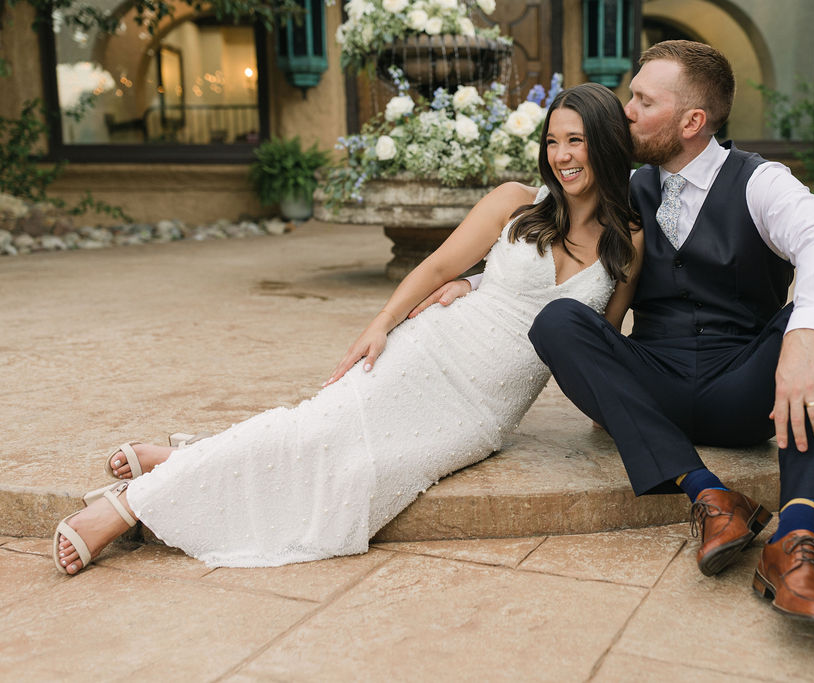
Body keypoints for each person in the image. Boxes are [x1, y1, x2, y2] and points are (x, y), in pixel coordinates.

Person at [52, 82, 643, 574]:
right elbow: (439, 265)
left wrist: (614, 409)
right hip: (436, 349)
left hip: (485, 409)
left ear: (608, 146)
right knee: (316, 430)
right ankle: (127, 507)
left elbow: (598, 343)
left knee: (364, 472)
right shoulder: (517, 201)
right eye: (554, 141)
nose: (563, 155)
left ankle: (183, 457)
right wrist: (381, 325)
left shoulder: (629, 244)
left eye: (578, 141)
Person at [432, 41, 814, 630]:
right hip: (653, 382)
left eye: (642, 100)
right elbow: (555, 250)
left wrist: (806, 338)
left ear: (692, 122)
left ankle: (797, 540)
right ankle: (712, 497)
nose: (625, 110)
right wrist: (478, 286)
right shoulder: (627, 186)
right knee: (557, 320)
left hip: (743, 391)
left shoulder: (760, 183)